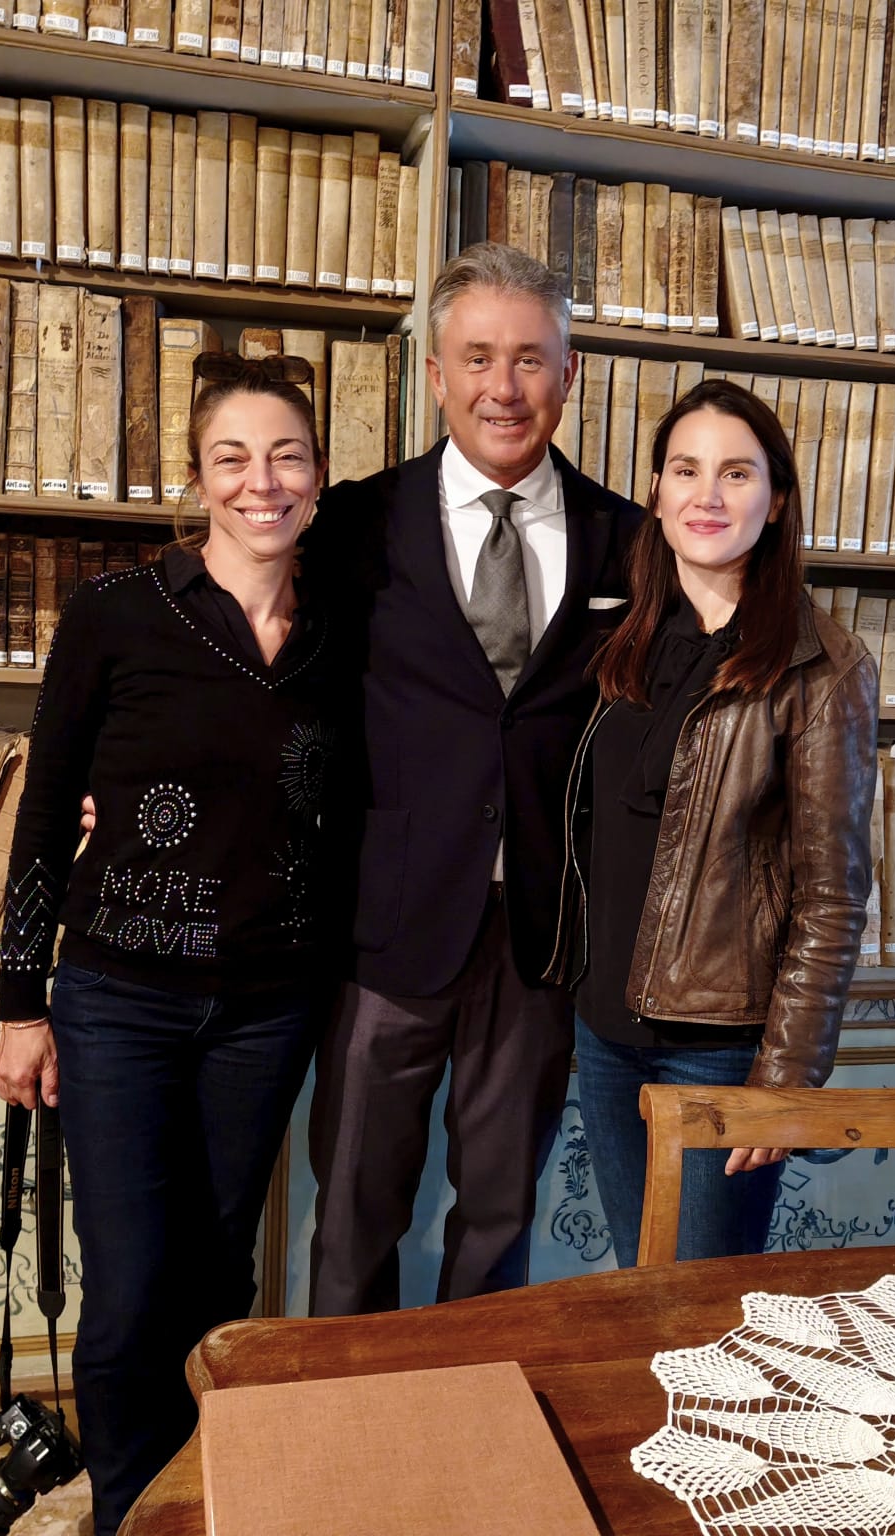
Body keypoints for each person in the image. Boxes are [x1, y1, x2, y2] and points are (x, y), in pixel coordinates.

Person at [0, 354, 344, 1536]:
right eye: (232, 459)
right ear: (196, 479)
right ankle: (129, 1519)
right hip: (119, 1000)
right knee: (130, 1290)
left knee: (217, 1278)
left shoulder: (341, 631)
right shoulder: (115, 612)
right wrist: (19, 1006)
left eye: (285, 456)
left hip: (270, 1007)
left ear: (319, 475)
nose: (261, 481)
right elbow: (46, 813)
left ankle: (204, 1502)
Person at [304, 242, 641, 1313]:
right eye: (479, 358)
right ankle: (338, 1404)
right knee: (354, 1207)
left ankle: (475, 1398)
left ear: (569, 374)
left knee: (499, 1213)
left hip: (542, 932)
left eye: (530, 359)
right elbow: (270, 675)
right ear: (435, 374)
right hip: (385, 922)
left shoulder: (630, 541)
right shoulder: (352, 524)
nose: (504, 387)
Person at [547, 379, 878, 1268]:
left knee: (700, 1305)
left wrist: (787, 1078)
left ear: (777, 501)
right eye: (686, 469)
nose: (708, 495)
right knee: (637, 1287)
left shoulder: (821, 666)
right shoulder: (622, 640)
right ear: (655, 493)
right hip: (604, 1031)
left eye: (737, 473)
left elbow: (834, 894)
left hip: (721, 1049)